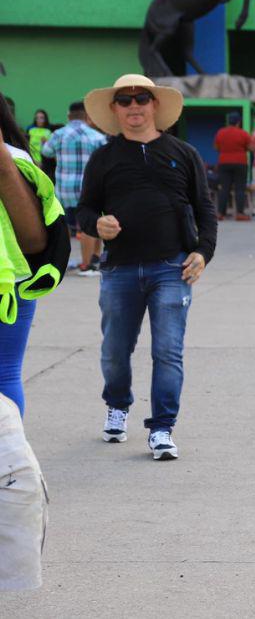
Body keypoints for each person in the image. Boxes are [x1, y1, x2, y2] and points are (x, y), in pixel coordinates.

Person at [78, 74, 218, 460]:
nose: (134, 105)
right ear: (114, 109)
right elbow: (85, 210)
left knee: (168, 351)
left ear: (155, 105)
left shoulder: (184, 153)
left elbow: (206, 209)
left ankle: (162, 428)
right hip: (119, 270)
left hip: (172, 269)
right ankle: (118, 405)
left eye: (142, 98)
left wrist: (203, 252)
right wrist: (96, 225)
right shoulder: (103, 158)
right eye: (125, 100)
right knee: (114, 351)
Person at [0, 93, 68, 593]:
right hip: (17, 282)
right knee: (6, 377)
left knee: (4, 377)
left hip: (11, 284)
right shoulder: (22, 157)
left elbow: (35, 237)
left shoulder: (13, 160)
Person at [41, 101, 108, 275]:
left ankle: (77, 261)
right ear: (86, 116)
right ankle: (90, 262)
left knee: (64, 227)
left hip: (64, 190)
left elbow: (46, 152)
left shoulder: (59, 134)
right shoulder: (96, 136)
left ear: (69, 116)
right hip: (88, 189)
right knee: (88, 224)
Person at [212, 112, 253, 221]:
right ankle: (240, 213)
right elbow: (251, 147)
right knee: (240, 188)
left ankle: (220, 213)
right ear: (238, 122)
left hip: (224, 163)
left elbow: (216, 147)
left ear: (228, 121)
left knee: (224, 188)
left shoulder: (220, 132)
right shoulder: (243, 133)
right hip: (240, 163)